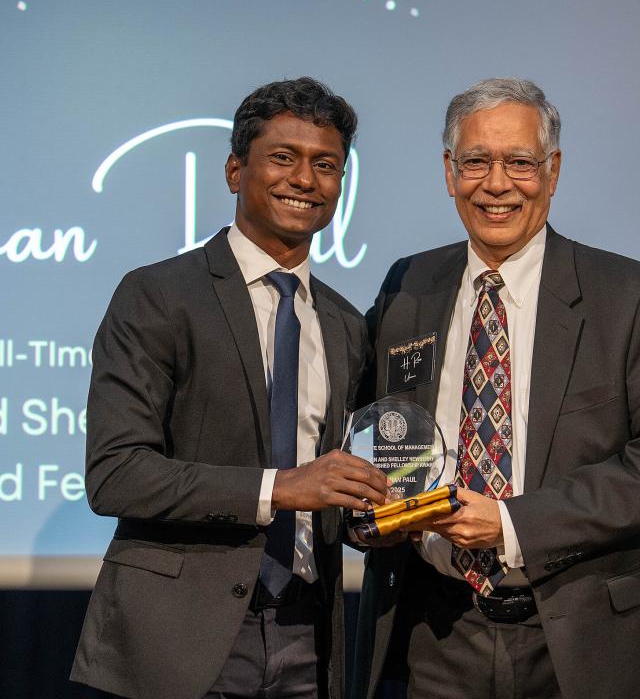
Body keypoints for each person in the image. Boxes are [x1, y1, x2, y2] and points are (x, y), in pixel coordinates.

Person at [70, 76, 389, 699]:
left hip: (309, 634)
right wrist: (281, 488)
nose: (305, 179)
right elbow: (116, 475)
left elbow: (345, 485)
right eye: (283, 158)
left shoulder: (348, 324)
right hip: (177, 637)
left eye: (326, 165)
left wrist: (383, 514)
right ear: (234, 169)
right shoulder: (158, 294)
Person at [352, 78, 640, 699]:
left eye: (520, 162)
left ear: (554, 170)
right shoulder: (408, 282)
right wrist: (368, 512)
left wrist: (513, 523)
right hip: (432, 635)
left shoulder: (626, 295)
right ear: (449, 171)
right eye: (476, 161)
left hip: (578, 637)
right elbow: (372, 428)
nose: (497, 184)